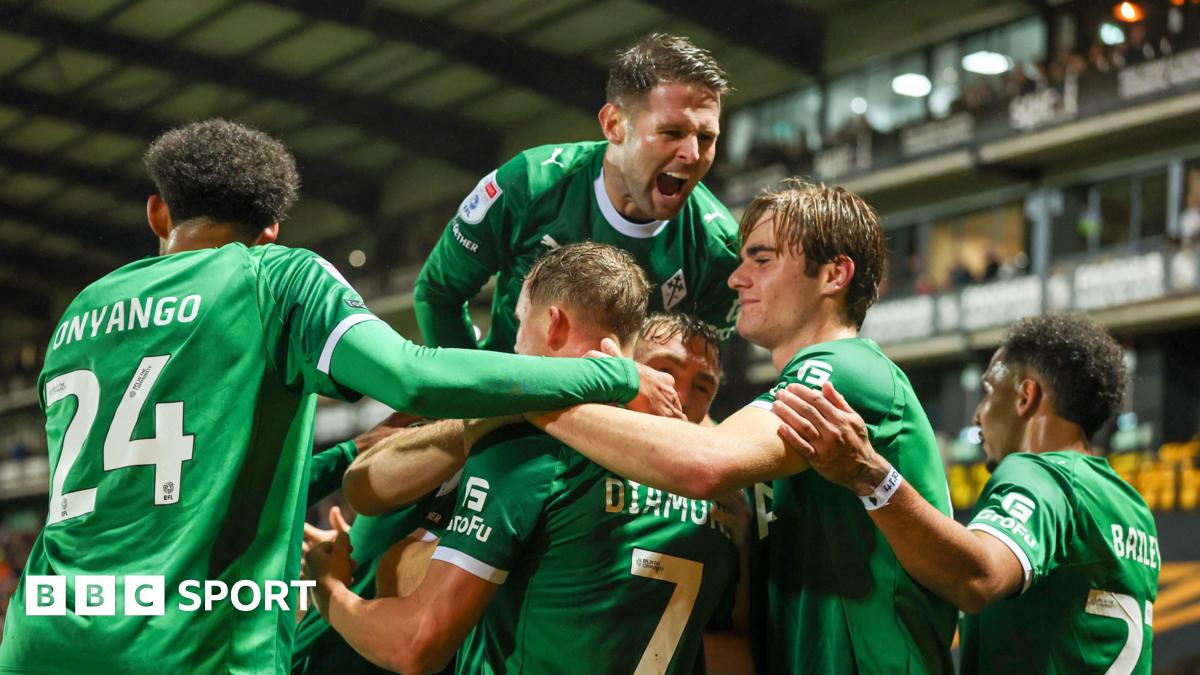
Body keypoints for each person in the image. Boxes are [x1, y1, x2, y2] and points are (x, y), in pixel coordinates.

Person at [0, 120, 680, 675]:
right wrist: (609, 376)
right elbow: (411, 375)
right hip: (181, 645)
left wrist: (348, 451)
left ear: (157, 211)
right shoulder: (275, 277)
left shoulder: (83, 312)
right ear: (271, 228)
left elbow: (151, 482)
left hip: (41, 631)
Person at [510, 180, 957, 673]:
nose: (736, 279)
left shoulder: (844, 369)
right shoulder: (790, 397)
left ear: (834, 274)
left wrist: (532, 393)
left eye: (761, 260)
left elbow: (705, 463)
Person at [307, 243, 748, 674]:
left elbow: (415, 634)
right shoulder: (728, 499)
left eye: (521, 321)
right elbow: (731, 648)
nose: (680, 395)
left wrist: (328, 589)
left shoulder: (527, 451)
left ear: (552, 324)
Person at [772, 313, 1158, 674]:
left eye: (989, 391)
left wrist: (870, 476)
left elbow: (979, 579)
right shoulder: (1132, 507)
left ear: (1026, 397)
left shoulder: (1037, 474)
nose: (977, 415)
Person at [413, 33, 742, 350]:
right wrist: (472, 395)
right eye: (672, 131)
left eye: (706, 138)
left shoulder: (720, 247)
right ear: (614, 124)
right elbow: (439, 293)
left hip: (621, 409)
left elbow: (695, 374)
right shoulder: (528, 184)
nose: (693, 154)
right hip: (505, 399)